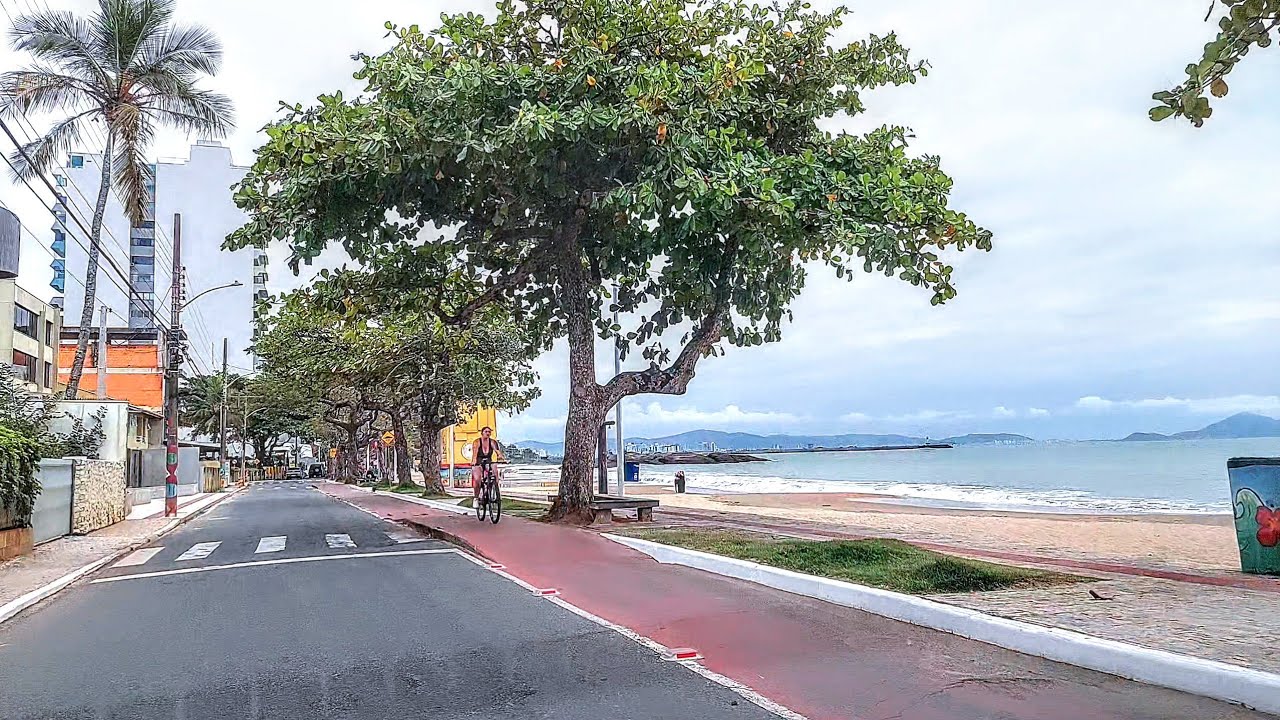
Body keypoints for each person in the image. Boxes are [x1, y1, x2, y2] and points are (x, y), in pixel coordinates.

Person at [470, 427, 502, 502]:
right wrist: (474, 461)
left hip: (488, 460)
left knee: (494, 470)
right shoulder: (477, 442)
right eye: (486, 432)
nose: (487, 433)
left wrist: (500, 457)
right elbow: (475, 453)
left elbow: (497, 451)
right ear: (482, 433)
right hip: (478, 461)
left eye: (489, 432)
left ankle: (494, 488)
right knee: (477, 479)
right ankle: (476, 498)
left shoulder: (492, 442)